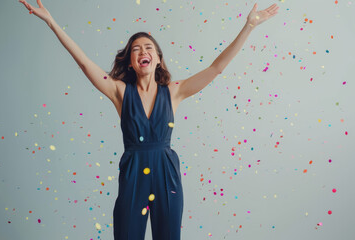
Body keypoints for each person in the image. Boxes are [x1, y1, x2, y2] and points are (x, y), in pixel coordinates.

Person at [19, 1, 279, 239]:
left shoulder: (175, 91)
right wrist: (51, 22)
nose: (142, 50)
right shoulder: (120, 92)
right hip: (133, 173)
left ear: (157, 59)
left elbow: (216, 68)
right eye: (136, 49)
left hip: (167, 174)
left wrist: (249, 26)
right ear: (131, 62)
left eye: (148, 47)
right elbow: (86, 64)